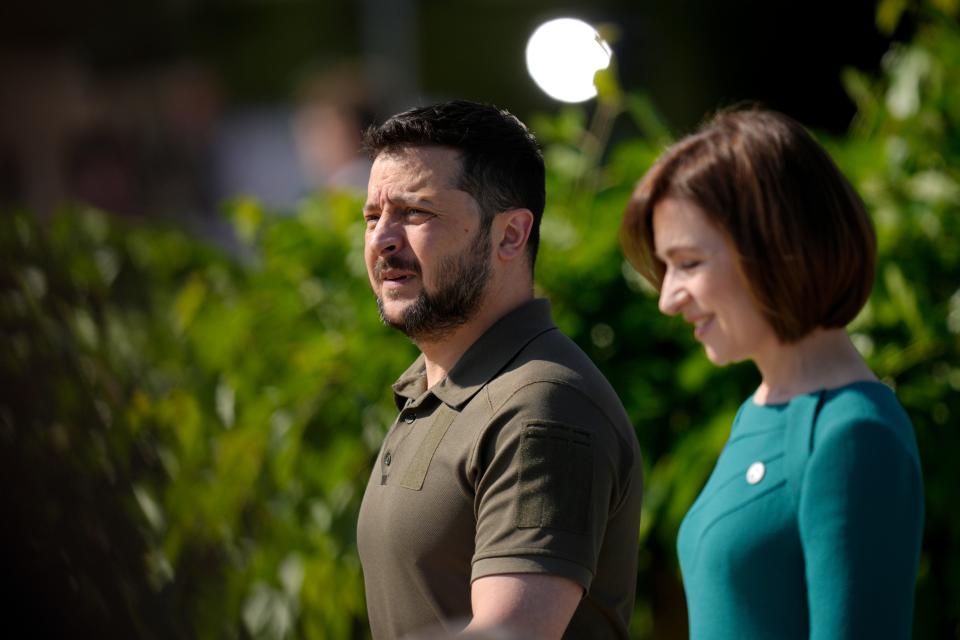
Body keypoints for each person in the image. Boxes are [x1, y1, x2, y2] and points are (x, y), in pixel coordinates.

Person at [620, 108, 924, 639]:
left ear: (774, 247)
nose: (668, 298)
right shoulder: (760, 411)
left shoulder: (851, 435)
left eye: (688, 263)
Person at [356, 100, 644, 640]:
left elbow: (512, 632)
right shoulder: (433, 390)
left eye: (417, 213)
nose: (383, 240)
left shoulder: (542, 404)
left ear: (510, 235)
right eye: (373, 217)